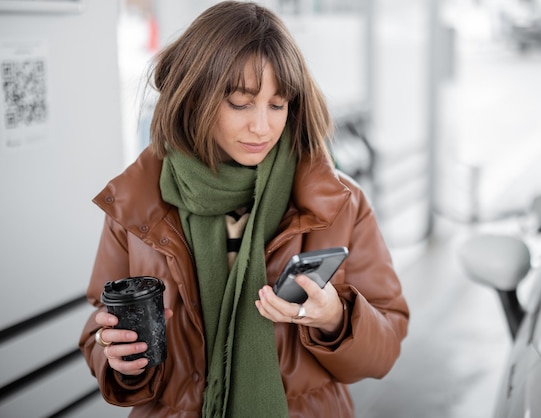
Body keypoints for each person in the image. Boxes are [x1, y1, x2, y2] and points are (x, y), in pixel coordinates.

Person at [78, 1, 409, 417]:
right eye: (240, 103)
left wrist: (335, 319)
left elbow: (386, 344)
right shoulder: (137, 201)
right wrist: (119, 359)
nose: (262, 127)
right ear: (194, 96)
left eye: (277, 104)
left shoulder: (338, 202)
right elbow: (99, 328)